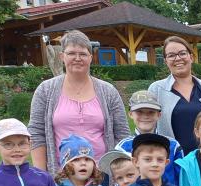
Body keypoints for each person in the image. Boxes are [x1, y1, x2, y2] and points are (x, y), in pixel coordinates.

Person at [29, 30, 130, 177]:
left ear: (90, 57)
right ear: (62, 56)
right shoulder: (45, 90)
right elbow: (36, 134)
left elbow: (122, 135)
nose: (77, 58)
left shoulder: (108, 92)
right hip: (61, 176)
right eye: (71, 53)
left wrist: (121, 174)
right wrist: (41, 176)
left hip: (101, 174)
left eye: (83, 54)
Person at [150, 36, 201, 155]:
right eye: (171, 55)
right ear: (166, 61)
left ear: (191, 57)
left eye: (182, 53)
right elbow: (148, 128)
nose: (178, 58)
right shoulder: (157, 90)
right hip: (172, 163)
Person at [114, 90, 184, 185]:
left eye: (151, 112)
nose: (145, 116)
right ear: (130, 114)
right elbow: (119, 184)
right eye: (139, 112)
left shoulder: (173, 146)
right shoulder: (122, 147)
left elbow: (181, 181)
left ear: (159, 115)